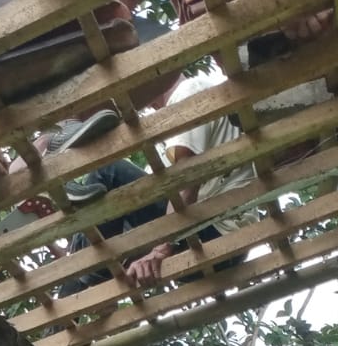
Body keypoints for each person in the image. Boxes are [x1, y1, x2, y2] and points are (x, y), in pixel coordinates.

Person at [55, 69, 261, 297]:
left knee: (108, 171)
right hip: (209, 244)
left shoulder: (190, 90)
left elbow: (187, 180)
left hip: (214, 233)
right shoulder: (164, 144)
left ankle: (88, 274)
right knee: (112, 204)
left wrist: (161, 250)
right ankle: (88, 275)